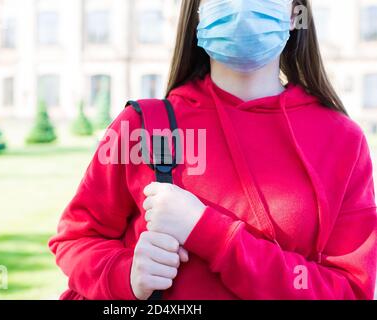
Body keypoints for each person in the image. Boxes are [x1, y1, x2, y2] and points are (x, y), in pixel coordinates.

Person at [49, 0, 377, 300]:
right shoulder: (143, 126)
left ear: (295, 13)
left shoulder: (342, 140)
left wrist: (209, 232)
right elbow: (75, 240)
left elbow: (349, 290)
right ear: (198, 13)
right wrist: (125, 275)